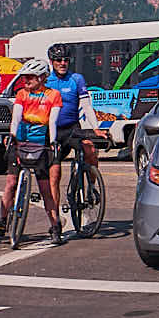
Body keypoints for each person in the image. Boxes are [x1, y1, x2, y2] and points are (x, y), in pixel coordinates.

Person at [0, 59, 64, 244]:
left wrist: (53, 141)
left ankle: (55, 226)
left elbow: (52, 121)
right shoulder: (21, 94)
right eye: (24, 77)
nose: (25, 80)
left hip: (40, 145)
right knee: (10, 182)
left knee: (45, 189)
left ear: (42, 78)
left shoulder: (53, 95)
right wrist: (11, 134)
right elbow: (16, 117)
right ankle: (3, 219)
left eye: (30, 77)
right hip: (19, 142)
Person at [44, 43, 105, 213]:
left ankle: (91, 187)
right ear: (51, 61)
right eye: (58, 60)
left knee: (91, 150)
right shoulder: (46, 81)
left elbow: (86, 106)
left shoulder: (76, 79)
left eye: (66, 60)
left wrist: (96, 128)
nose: (63, 63)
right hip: (53, 131)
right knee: (54, 176)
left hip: (72, 128)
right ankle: (55, 220)